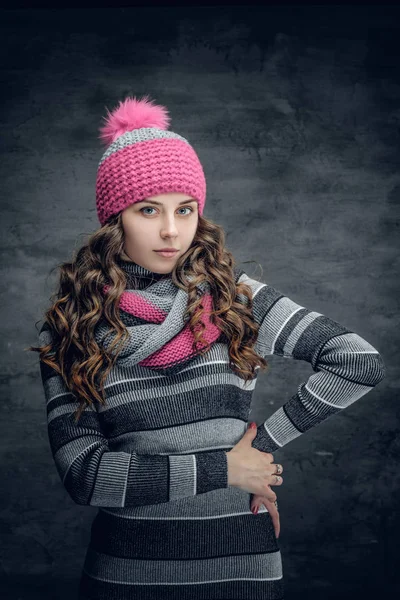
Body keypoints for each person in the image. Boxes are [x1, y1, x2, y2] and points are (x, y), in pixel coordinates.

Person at [30, 95, 386, 600]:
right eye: (148, 209)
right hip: (128, 574)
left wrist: (260, 449)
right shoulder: (71, 326)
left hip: (244, 566)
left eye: (185, 209)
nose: (171, 230)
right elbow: (86, 477)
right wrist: (226, 468)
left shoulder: (234, 299)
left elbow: (357, 362)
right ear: (116, 218)